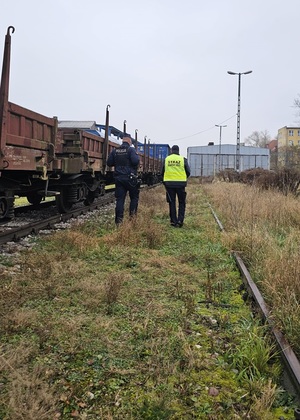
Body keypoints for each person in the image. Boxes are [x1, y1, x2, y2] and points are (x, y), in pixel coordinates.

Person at [107, 133, 140, 224]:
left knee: (120, 200)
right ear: (129, 140)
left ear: (122, 140)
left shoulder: (115, 151)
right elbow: (135, 161)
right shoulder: (131, 150)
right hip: (130, 179)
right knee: (134, 198)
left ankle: (118, 222)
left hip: (119, 179)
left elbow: (109, 163)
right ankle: (132, 219)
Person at [162, 145, 191, 227]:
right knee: (182, 202)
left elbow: (162, 172)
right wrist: (183, 178)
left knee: (172, 202)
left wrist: (164, 181)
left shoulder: (166, 160)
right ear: (178, 151)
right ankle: (180, 221)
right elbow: (188, 171)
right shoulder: (183, 159)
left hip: (169, 184)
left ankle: (173, 221)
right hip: (181, 184)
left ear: (171, 151)